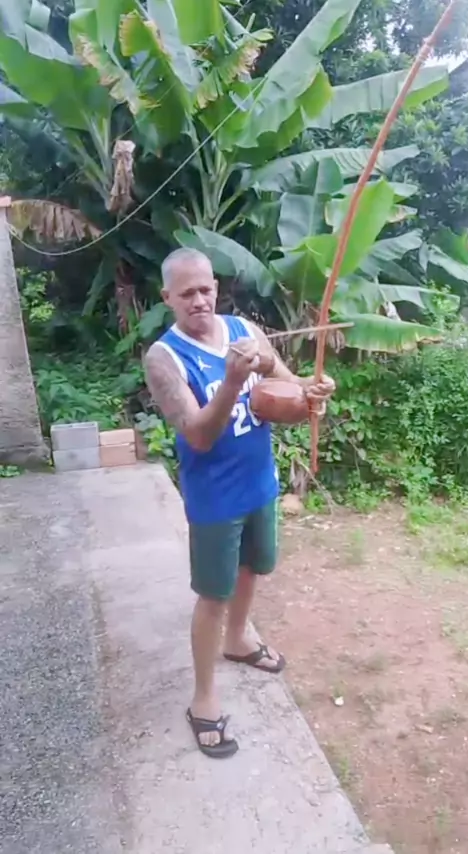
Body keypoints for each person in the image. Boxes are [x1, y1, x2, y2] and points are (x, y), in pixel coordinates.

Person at [145, 248, 335, 759]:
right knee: (213, 594)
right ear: (167, 297)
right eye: (187, 293)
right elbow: (198, 434)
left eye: (205, 289)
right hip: (214, 498)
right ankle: (203, 699)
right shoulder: (164, 358)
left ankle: (239, 640)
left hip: (259, 483)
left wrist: (312, 392)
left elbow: (285, 385)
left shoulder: (244, 330)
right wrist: (231, 384)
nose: (199, 300)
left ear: (215, 287)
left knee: (252, 569)